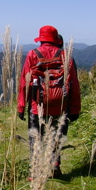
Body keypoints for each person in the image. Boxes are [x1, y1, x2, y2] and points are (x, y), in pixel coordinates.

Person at [17, 25, 81, 178]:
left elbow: (24, 82)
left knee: (36, 137)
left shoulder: (33, 54)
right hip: (60, 104)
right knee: (57, 135)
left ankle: (35, 171)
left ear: (41, 39)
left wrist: (21, 106)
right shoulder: (66, 56)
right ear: (56, 39)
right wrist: (74, 109)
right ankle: (55, 165)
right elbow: (74, 85)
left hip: (36, 105)